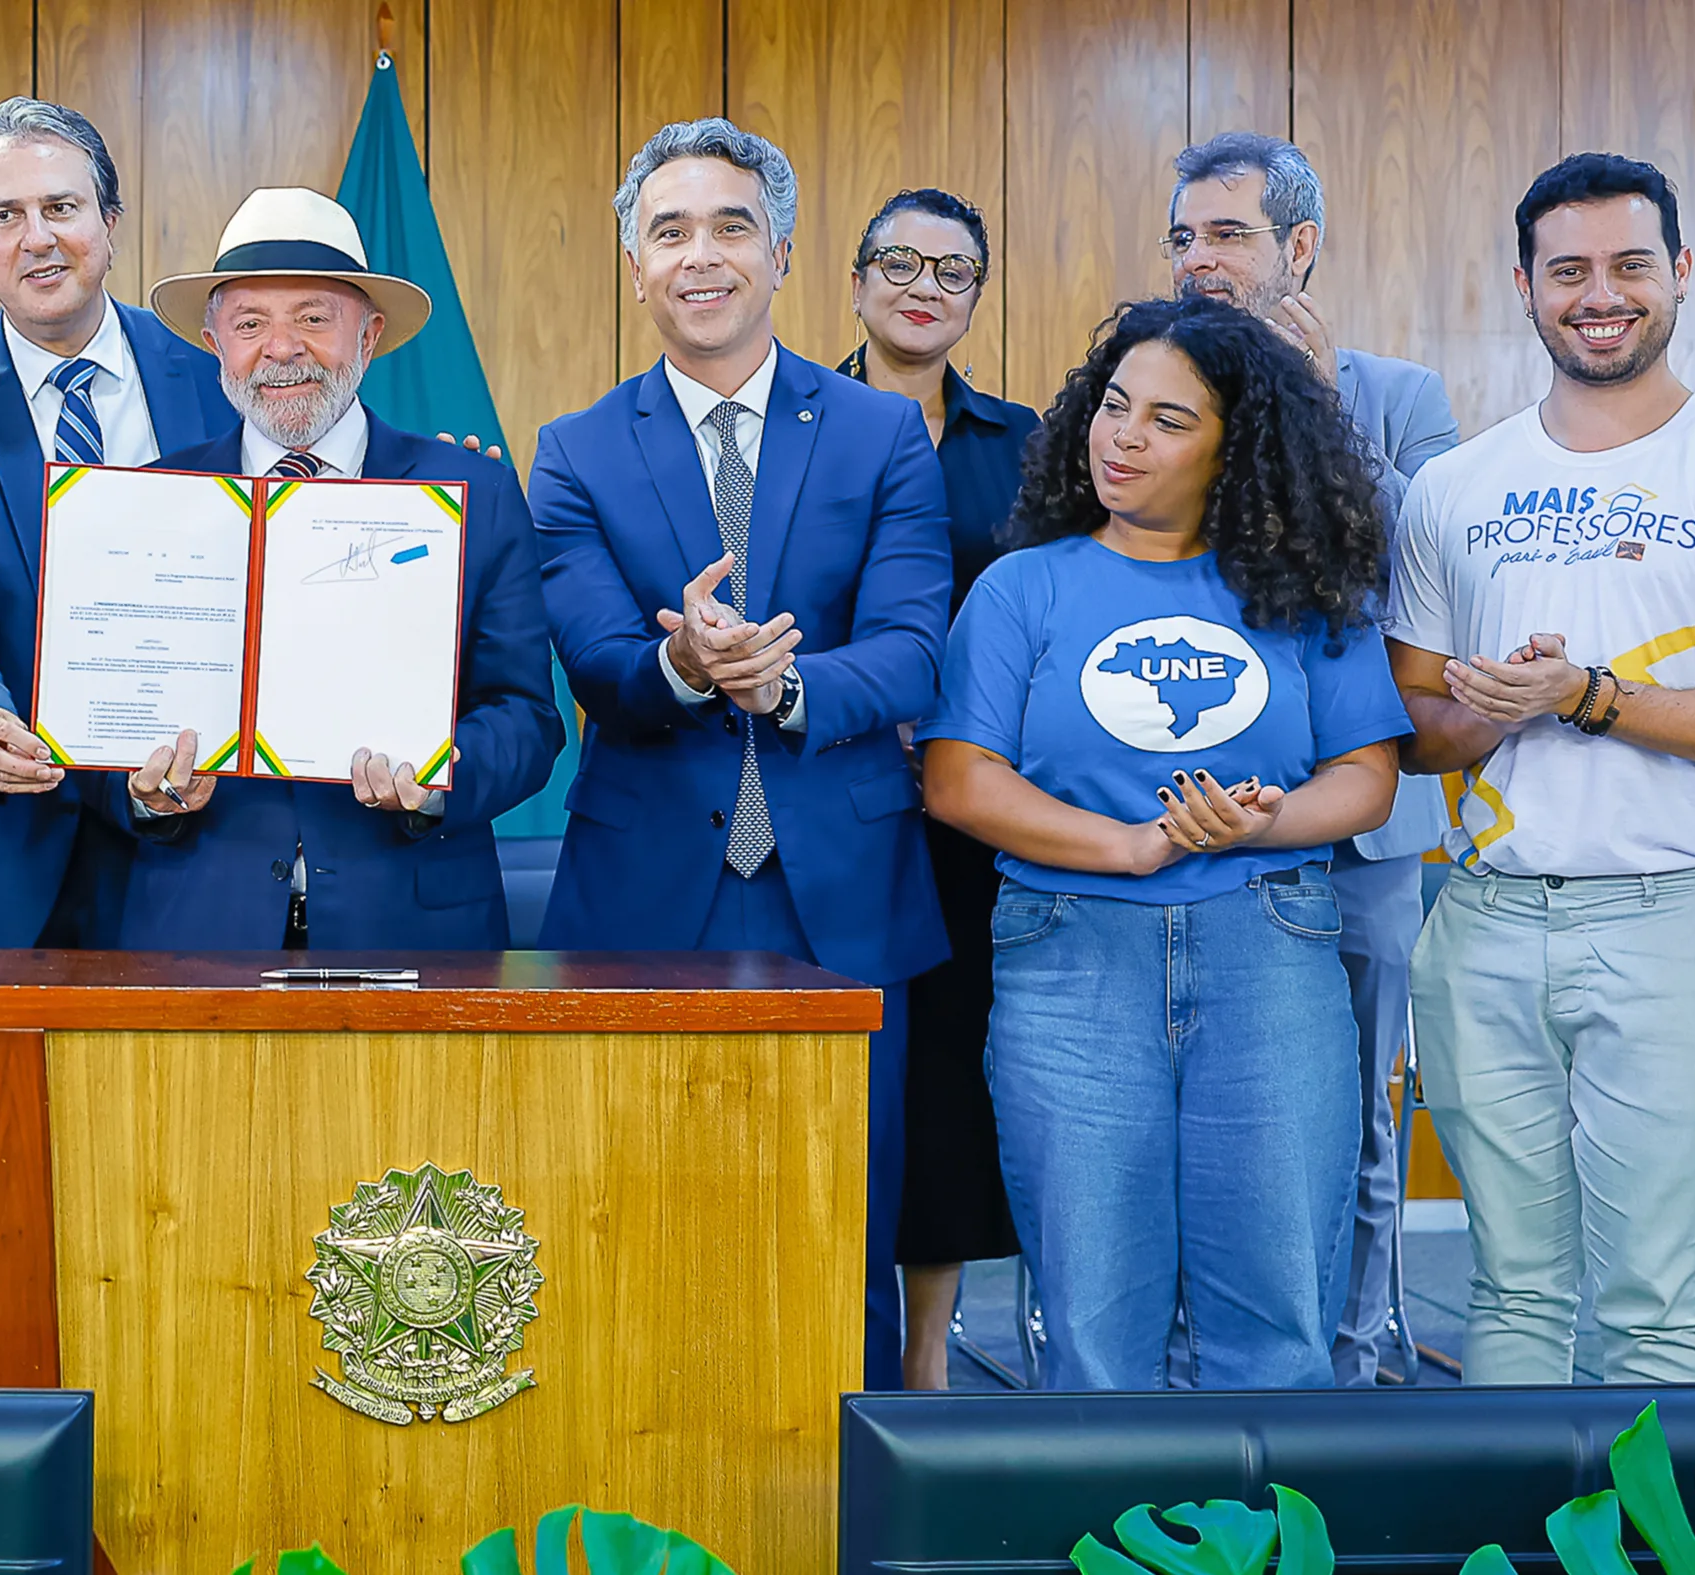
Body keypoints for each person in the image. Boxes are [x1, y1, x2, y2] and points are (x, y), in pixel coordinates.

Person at [1386, 152, 1695, 1384]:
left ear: (1681, 275)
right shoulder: (1452, 487)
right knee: (1513, 1295)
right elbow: (1413, 728)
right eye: (1569, 269)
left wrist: (1587, 697)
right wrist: (1494, 708)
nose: (1601, 293)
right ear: (1525, 285)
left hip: (1672, 921)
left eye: (1631, 265)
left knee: (1650, 1309)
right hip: (1480, 921)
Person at [531, 118, 955, 1391]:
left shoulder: (882, 435)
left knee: (841, 1222)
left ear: (778, 252)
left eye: (728, 228)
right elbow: (597, 658)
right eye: (669, 233)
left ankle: (854, 1503)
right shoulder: (577, 448)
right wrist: (682, 665)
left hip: (843, 891)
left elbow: (912, 649)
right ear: (634, 264)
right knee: (633, 1217)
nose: (698, 256)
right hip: (646, 891)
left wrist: (786, 682)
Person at [920, 294, 1407, 1390]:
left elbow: (1367, 779)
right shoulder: (1022, 585)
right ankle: (1116, 1557)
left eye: (1168, 420)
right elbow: (956, 779)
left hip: (1270, 947)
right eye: (1113, 405)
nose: (1122, 437)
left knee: (1277, 1327)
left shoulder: (1300, 591)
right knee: (1092, 1333)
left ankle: (1264, 1558)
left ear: (1237, 451)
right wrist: (1128, 846)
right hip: (1068, 953)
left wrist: (1267, 818)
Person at [0, 96, 229, 1385]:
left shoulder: (215, 374)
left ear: (111, 225)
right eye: (4, 215)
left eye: (60, 207)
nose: (37, 237)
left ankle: (176, 1437)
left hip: (193, 837)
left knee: (181, 1174)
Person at [1165, 130, 1461, 1386]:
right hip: (1198, 820)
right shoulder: (1154, 389)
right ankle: (1195, 1361)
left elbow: (1440, 571)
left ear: (1299, 247)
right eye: (1182, 237)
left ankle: (1355, 1362)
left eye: (1225, 235)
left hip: (1364, 835)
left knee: (1357, 1120)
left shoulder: (1399, 396)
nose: (1196, 262)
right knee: (1203, 1115)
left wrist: (1326, 401)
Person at [123, 189, 561, 941]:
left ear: (370, 335)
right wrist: (142, 793)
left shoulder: (474, 495)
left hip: (414, 928)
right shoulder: (155, 501)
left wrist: (438, 779)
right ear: (214, 341)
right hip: (200, 928)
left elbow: (527, 718)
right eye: (250, 323)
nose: (283, 348)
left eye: (314, 318)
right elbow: (107, 717)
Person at [838, 186, 1036, 1390]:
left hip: (966, 814)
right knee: (842, 1070)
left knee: (947, 1084)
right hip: (826, 790)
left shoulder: (1020, 446)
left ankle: (924, 1361)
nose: (923, 286)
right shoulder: (789, 421)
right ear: (853, 278)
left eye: (953, 271)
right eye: (899, 262)